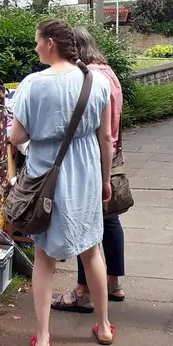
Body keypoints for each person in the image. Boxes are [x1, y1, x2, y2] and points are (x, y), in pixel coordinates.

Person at [8, 19, 114, 346]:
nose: (36, 47)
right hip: (85, 173)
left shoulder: (33, 85)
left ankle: (42, 337)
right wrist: (106, 179)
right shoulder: (96, 81)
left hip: (46, 178)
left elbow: (17, 137)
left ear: (50, 43)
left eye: (37, 41)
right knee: (92, 249)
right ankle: (105, 326)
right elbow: (106, 139)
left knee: (44, 255)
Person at [52, 28, 126, 313]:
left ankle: (82, 292)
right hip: (112, 152)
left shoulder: (91, 77)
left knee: (88, 226)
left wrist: (103, 176)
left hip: (94, 156)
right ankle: (114, 283)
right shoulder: (109, 72)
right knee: (109, 222)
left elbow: (98, 131)